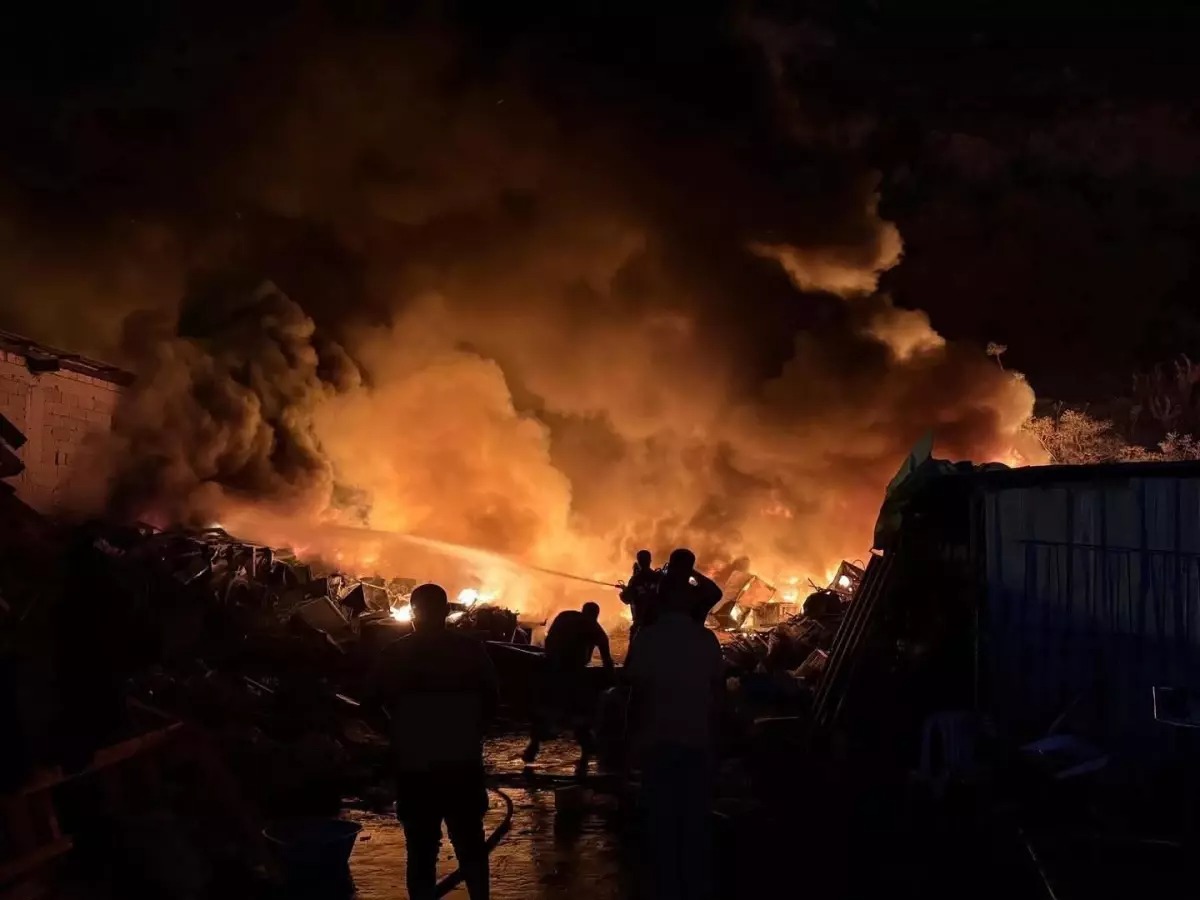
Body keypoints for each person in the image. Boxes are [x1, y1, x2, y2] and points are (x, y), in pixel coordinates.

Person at [366, 583, 499, 900]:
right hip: (462, 766)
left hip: (416, 770)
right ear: (446, 614)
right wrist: (471, 732)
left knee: (421, 851)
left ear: (413, 613)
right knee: (470, 846)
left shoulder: (395, 654)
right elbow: (493, 701)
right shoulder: (471, 652)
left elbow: (369, 704)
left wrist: (396, 734)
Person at [624, 589, 726, 900]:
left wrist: (630, 740)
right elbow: (719, 695)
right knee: (694, 821)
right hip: (696, 740)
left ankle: (663, 885)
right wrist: (719, 741)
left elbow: (635, 694)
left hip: (658, 741)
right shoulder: (707, 640)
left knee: (660, 822)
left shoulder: (647, 638)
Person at [522, 601, 614, 765]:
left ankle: (533, 748)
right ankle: (587, 749)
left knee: (546, 709)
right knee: (578, 711)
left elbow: (550, 639)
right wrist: (613, 680)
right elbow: (607, 660)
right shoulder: (595, 629)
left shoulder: (565, 616)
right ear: (595, 615)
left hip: (551, 668)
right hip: (572, 672)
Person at [657, 548, 724, 626]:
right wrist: (691, 572)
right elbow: (716, 593)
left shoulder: (660, 586)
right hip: (688, 633)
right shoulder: (695, 597)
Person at [619, 549, 661, 638]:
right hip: (658, 621)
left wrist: (624, 591)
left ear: (638, 561)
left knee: (635, 649)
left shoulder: (635, 579)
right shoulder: (658, 577)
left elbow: (627, 599)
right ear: (650, 560)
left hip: (641, 623)